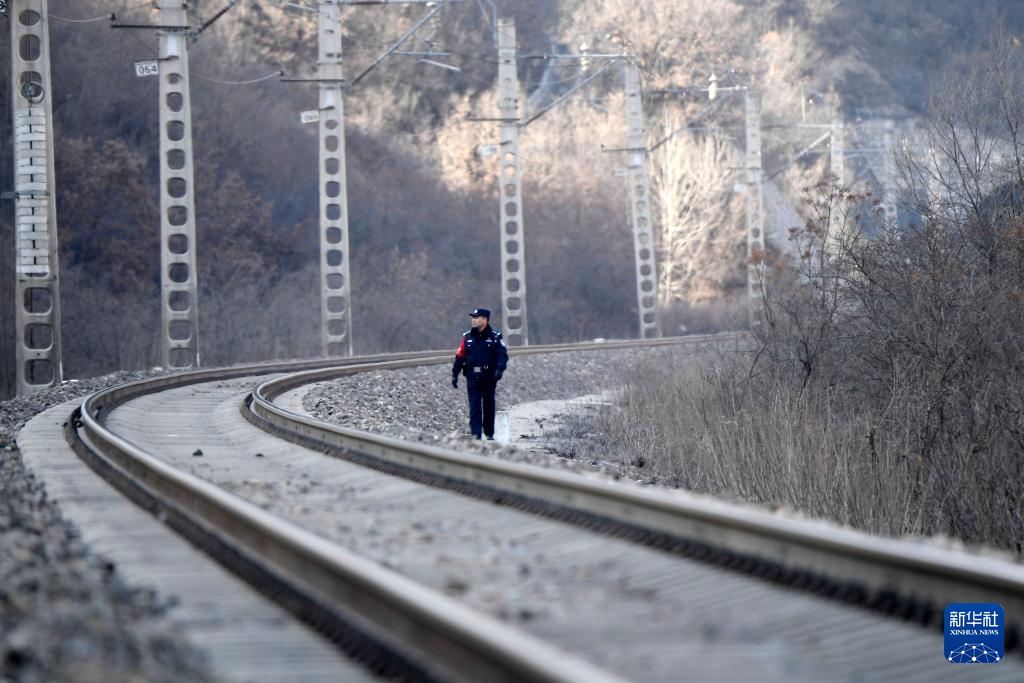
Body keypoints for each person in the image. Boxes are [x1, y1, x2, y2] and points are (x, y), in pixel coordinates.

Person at [451, 308, 508, 439]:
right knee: (475, 407)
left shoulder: (495, 337)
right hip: (472, 377)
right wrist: (455, 374)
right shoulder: (467, 337)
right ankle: (475, 435)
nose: (473, 319)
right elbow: (460, 356)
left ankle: (489, 433)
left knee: (488, 405)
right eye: (473, 317)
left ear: (485, 319)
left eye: (477, 317)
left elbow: (502, 355)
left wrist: (499, 370)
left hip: (489, 377)